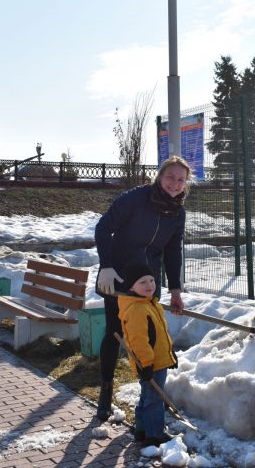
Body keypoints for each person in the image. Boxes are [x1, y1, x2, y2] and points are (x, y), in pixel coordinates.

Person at [94, 155, 190, 421]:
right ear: (159, 176)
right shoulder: (135, 198)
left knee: (150, 340)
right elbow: (103, 229)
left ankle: (147, 405)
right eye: (170, 176)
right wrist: (107, 265)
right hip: (119, 278)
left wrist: (175, 290)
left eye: (181, 180)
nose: (175, 183)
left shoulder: (178, 212)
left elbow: (173, 250)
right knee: (115, 333)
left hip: (149, 283)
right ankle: (105, 391)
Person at [118, 260, 178, 447]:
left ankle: (142, 429)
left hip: (158, 360)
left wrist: (171, 354)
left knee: (147, 395)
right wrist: (146, 364)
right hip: (150, 363)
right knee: (154, 399)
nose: (149, 285)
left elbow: (161, 334)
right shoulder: (136, 309)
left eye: (151, 280)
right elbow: (138, 341)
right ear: (131, 286)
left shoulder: (150, 304)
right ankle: (154, 436)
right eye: (142, 282)